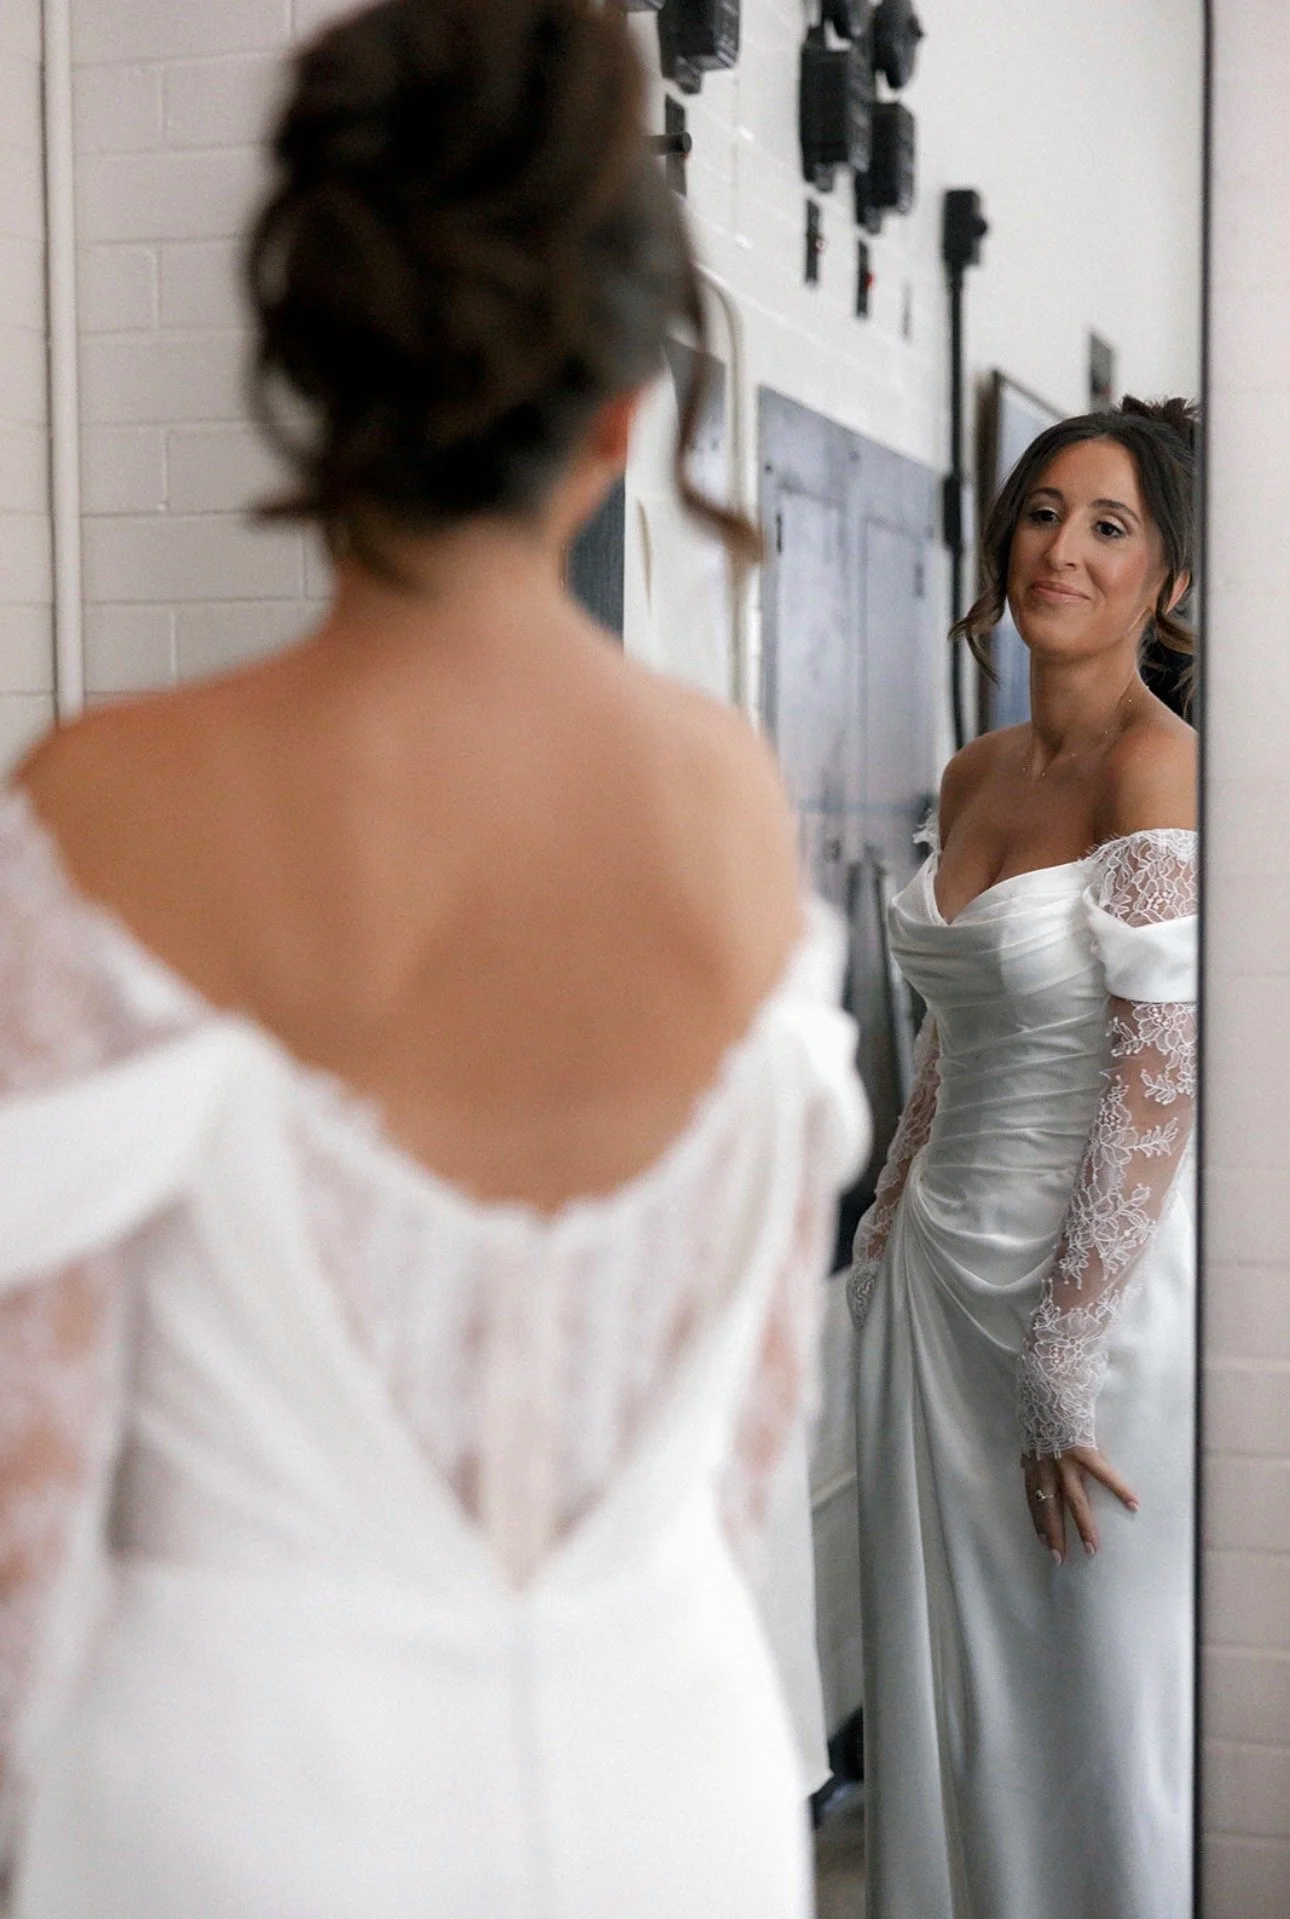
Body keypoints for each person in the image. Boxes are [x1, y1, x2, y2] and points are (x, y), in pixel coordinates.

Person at [0, 4, 869, 1914]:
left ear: (312, 369)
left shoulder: (108, 808)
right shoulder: (729, 809)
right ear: (626, 407)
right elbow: (745, 1453)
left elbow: (21, 1515)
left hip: (241, 1821)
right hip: (672, 1788)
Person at [848, 397, 1198, 1919]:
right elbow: (954, 1025)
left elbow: (1158, 1072)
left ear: (1166, 582)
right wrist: (882, 1219)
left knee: (1087, 1710)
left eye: (1109, 526)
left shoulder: (1161, 771)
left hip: (1086, 1305)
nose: (1063, 549)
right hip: (933, 1294)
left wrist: (1065, 1344)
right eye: (1044, 512)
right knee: (953, 1713)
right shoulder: (974, 771)